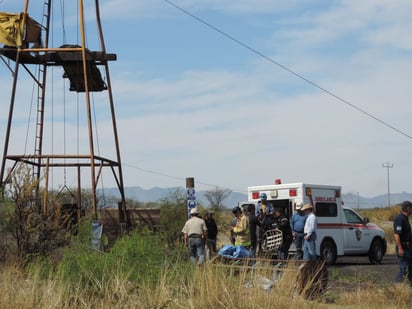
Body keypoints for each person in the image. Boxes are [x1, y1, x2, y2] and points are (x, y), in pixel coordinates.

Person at [393, 200, 412, 284]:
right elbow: (396, 235)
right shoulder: (400, 219)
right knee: (403, 270)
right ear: (408, 209)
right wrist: (400, 248)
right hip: (403, 248)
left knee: (410, 270)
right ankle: (395, 288)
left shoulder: (405, 218)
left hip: (408, 247)